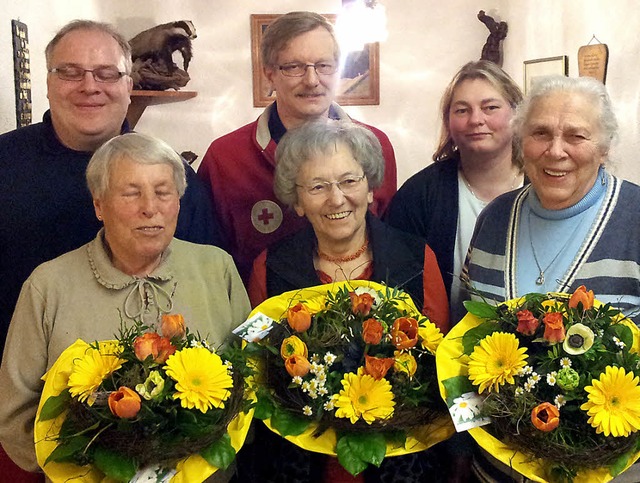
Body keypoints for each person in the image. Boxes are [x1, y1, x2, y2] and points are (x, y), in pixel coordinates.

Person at [0, 133, 250, 479]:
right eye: (131, 192)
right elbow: (15, 414)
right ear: (99, 204)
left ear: (178, 200)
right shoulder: (48, 285)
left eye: (163, 191)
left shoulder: (217, 268)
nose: (150, 207)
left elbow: (249, 382)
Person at [241, 120, 449, 483]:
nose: (336, 199)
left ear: (370, 188)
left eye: (349, 181)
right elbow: (257, 377)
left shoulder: (416, 259)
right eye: (317, 186)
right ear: (298, 201)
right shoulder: (270, 268)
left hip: (401, 465)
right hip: (297, 467)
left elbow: (439, 371)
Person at [0, 20, 220, 359]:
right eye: (71, 72)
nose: (90, 86)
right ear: (48, 83)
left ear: (128, 85)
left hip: (158, 391)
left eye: (107, 74)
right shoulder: (5, 164)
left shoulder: (173, 178)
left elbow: (205, 284)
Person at [464, 75, 640, 481]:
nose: (555, 151)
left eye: (576, 136)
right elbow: (460, 355)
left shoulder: (634, 220)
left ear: (604, 146)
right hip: (491, 472)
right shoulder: (494, 219)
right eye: (540, 133)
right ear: (521, 142)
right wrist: (464, 437)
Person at [198, 11, 398, 283]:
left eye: (324, 65)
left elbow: (390, 246)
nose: (312, 80)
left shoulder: (376, 147)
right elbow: (208, 262)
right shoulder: (225, 158)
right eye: (294, 67)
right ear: (269, 74)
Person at [385, 60, 524, 323]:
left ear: (517, 113)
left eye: (490, 107)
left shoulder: (542, 189)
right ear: (448, 121)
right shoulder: (418, 195)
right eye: (462, 110)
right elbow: (398, 288)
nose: (476, 120)